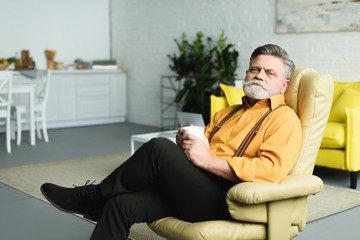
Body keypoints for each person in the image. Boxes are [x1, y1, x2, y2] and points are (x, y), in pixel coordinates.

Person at [41, 44, 302, 240]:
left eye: (270, 72)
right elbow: (201, 151)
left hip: (225, 200)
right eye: (255, 68)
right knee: (120, 204)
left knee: (157, 147)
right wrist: (187, 145)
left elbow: (270, 171)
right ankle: (100, 199)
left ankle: (91, 195)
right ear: (246, 73)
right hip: (192, 189)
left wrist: (209, 160)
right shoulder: (228, 112)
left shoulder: (285, 119)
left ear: (284, 85)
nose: (259, 75)